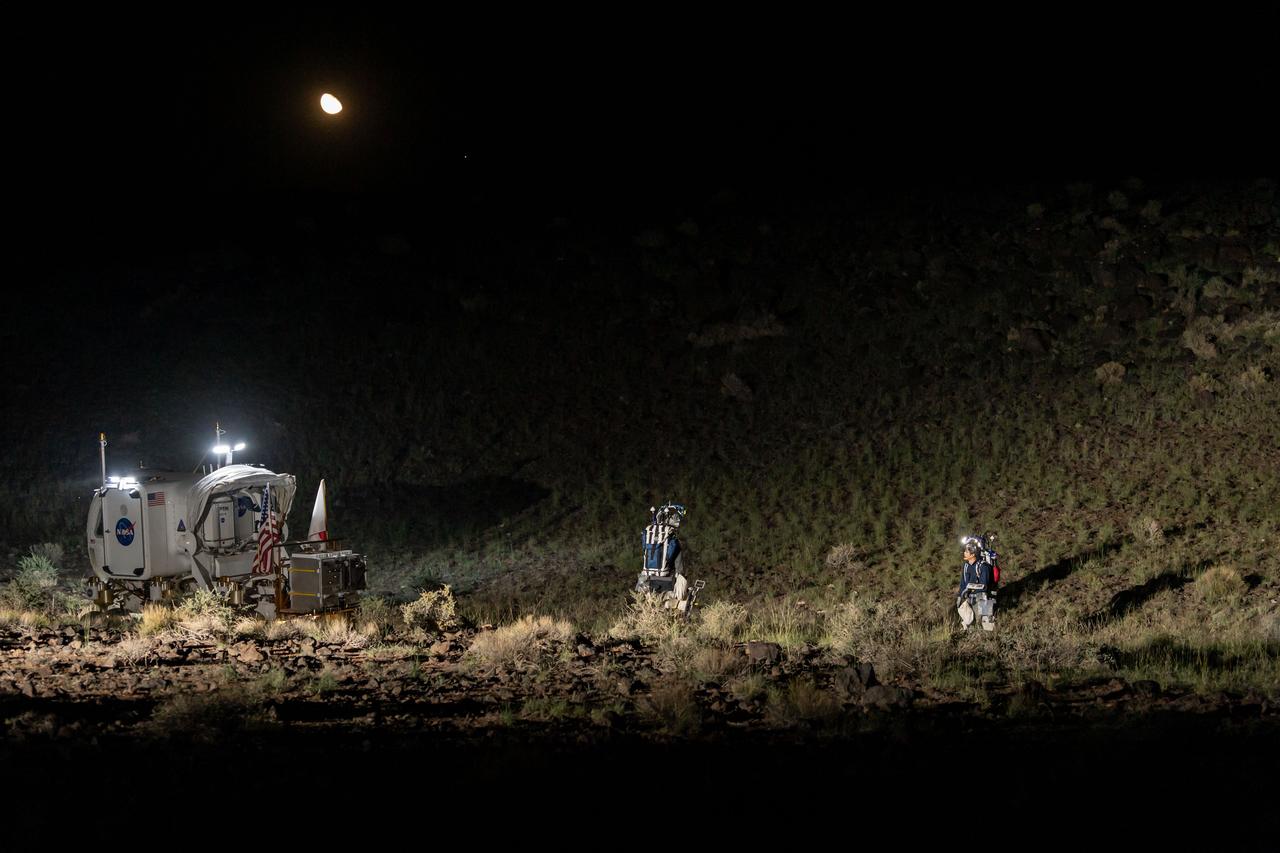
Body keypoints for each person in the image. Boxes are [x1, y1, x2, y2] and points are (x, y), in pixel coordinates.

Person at [636, 503, 692, 614]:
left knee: (651, 601)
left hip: (646, 581)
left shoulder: (649, 539)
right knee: (679, 585)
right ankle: (678, 604)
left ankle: (652, 609)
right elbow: (680, 569)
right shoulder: (673, 543)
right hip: (666, 582)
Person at [956, 537, 996, 631]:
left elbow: (984, 585)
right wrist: (960, 597)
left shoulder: (984, 566)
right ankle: (973, 641)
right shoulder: (966, 566)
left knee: (987, 624)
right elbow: (963, 583)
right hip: (970, 598)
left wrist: (969, 588)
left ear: (973, 554)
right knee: (970, 623)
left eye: (966, 551)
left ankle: (990, 640)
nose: (964, 553)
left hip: (984, 597)